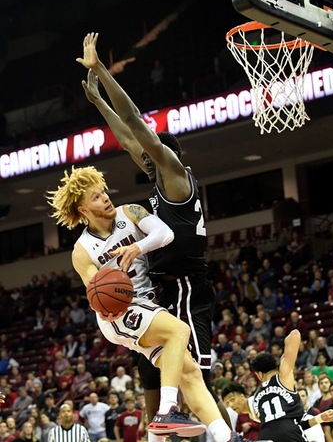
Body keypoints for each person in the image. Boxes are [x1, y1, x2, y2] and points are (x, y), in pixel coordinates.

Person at [76, 32, 230, 428]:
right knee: (180, 372)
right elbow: (126, 136)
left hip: (188, 285)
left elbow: (134, 122)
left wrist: (102, 72)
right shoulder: (157, 181)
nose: (142, 154)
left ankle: (203, 428)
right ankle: (177, 424)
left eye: (151, 152)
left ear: (165, 155)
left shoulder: (176, 176)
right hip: (163, 285)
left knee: (197, 373)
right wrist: (97, 102)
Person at [47, 167, 240, 441]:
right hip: (118, 313)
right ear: (83, 209)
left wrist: (137, 248)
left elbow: (165, 234)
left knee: (191, 373)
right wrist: (109, 290)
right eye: (96, 197)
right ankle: (166, 411)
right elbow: (96, 294)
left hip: (144, 306)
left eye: (103, 192)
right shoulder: (82, 251)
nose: (105, 198)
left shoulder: (130, 213)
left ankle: (226, 437)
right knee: (179, 331)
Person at [250, 330, 333, 441]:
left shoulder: (256, 395)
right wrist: (283, 354)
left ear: (260, 374)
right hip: (289, 433)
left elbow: (259, 418)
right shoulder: (283, 377)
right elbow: (295, 334)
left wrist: (320, 418)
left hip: (265, 437)